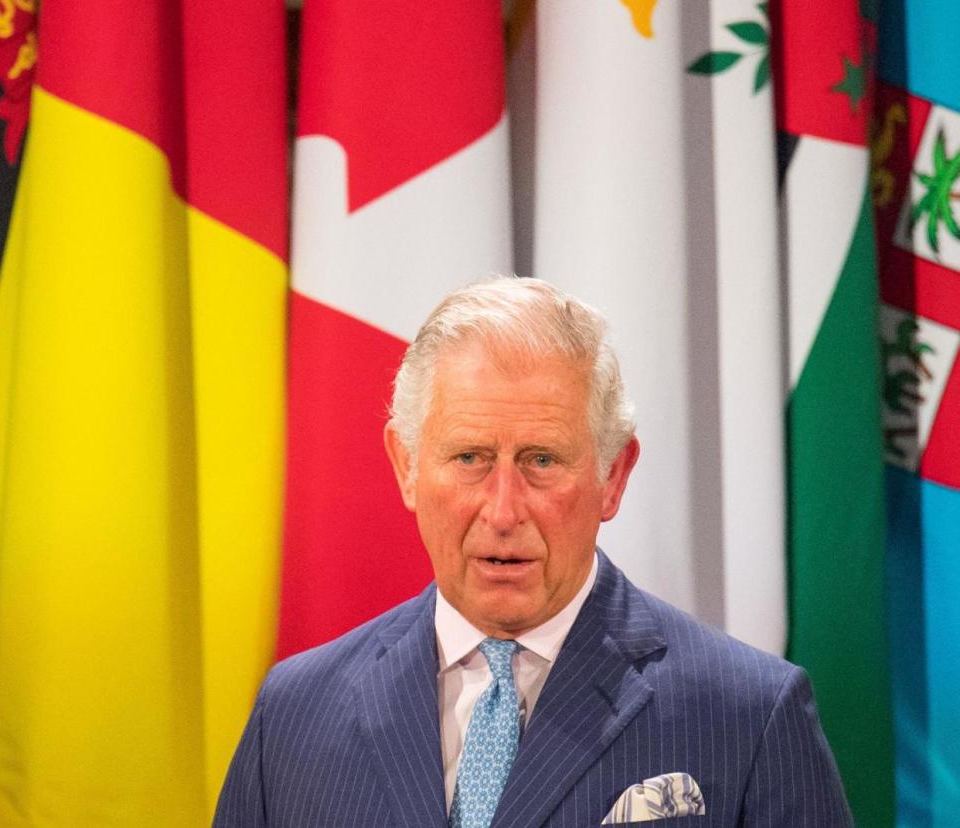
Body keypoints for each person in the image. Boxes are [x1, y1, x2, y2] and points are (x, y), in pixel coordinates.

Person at [214, 277, 852, 827]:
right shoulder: (294, 714)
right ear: (406, 467)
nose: (503, 510)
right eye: (470, 458)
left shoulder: (749, 717)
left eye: (542, 461)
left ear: (613, 475)